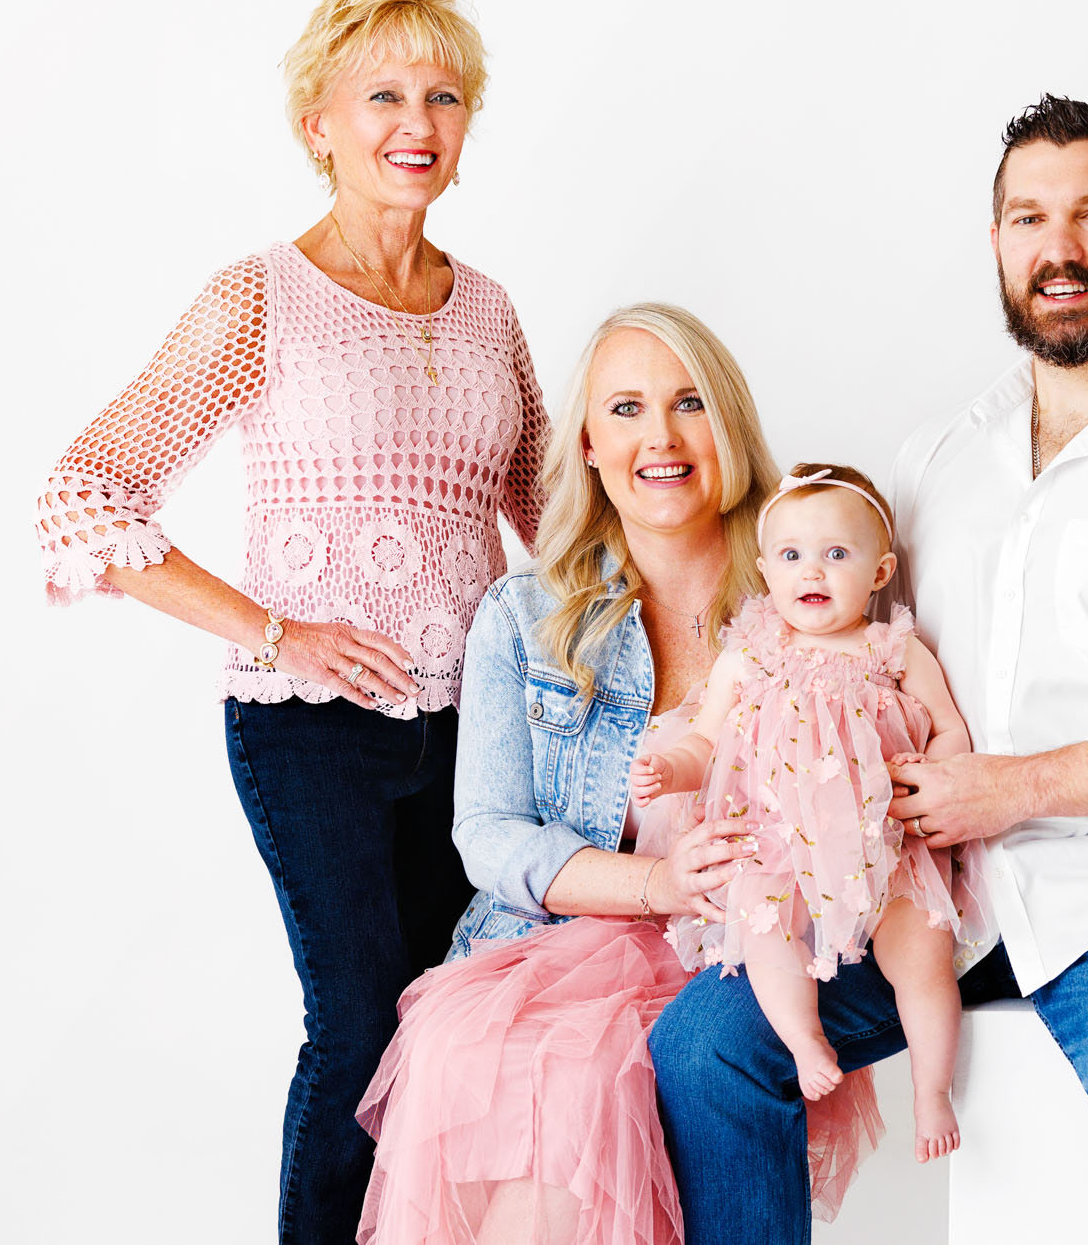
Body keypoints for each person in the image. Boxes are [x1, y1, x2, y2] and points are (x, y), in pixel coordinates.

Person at [649, 96, 1088, 1245]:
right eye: (1028, 219)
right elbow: (844, 657)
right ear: (995, 242)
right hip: (938, 892)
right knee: (705, 1051)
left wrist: (1014, 788)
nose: (1056, 248)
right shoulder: (936, 460)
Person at [33, 0, 547, 1243]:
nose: (416, 122)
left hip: (475, 736)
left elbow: (558, 521)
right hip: (309, 729)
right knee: (360, 1024)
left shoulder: (490, 311)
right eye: (383, 95)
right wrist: (275, 631)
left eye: (443, 96)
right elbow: (83, 495)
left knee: (450, 1021)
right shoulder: (260, 297)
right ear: (318, 124)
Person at [356, 306, 879, 1245]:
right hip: (551, 949)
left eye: (690, 403)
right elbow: (489, 835)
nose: (661, 437)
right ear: (590, 445)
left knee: (617, 1075)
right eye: (627, 409)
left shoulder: (810, 593)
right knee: (525, 1069)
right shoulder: (524, 614)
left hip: (746, 948)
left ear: (729, 427)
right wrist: (658, 884)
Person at [633, 462, 984, 1163]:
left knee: (923, 960)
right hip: (779, 845)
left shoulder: (893, 649)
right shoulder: (752, 655)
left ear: (880, 572)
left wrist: (936, 774)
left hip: (889, 843)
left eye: (837, 554)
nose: (812, 571)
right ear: (766, 570)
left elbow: (950, 728)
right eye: (791, 556)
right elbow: (706, 740)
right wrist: (673, 767)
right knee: (765, 931)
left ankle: (932, 1090)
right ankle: (803, 1039)